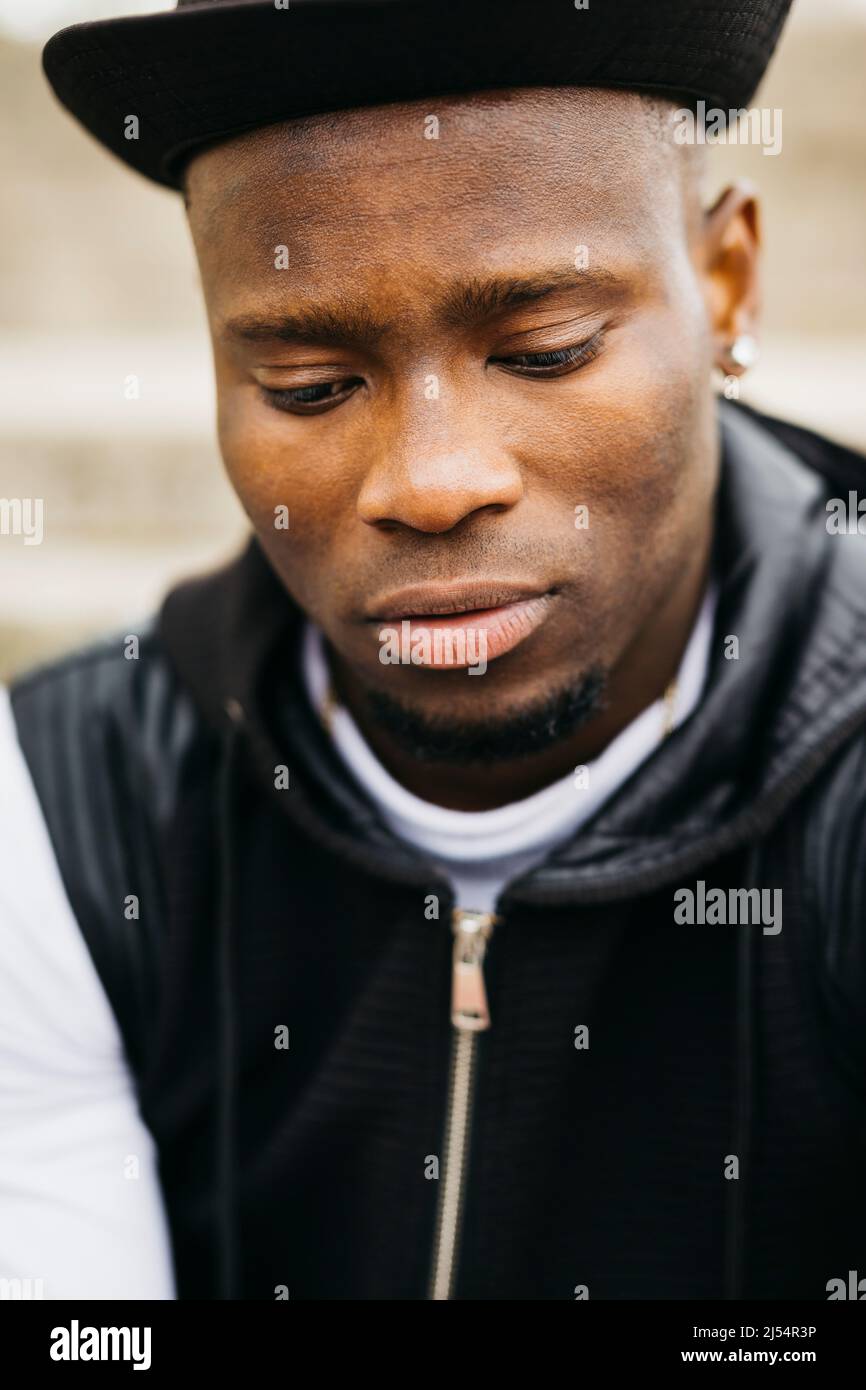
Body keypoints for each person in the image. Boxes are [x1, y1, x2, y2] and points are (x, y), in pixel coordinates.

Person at [2, 0, 865, 1301]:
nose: (431, 482)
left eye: (543, 350)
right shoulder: (63, 816)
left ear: (724, 283)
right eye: (307, 384)